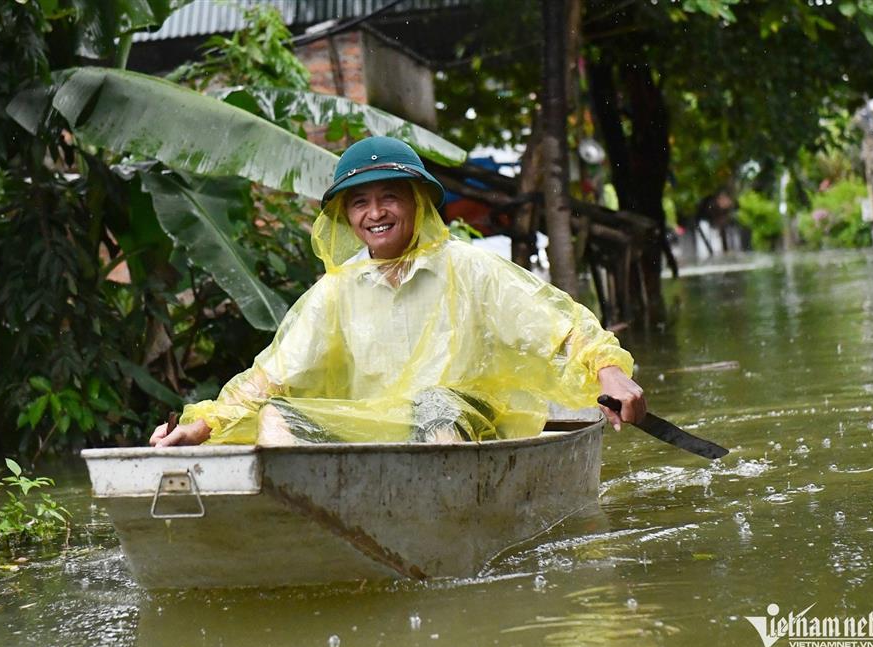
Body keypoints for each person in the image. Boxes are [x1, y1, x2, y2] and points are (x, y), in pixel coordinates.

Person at [150, 136, 645, 447]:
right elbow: (269, 380)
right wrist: (202, 426)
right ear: (346, 217)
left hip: (465, 426)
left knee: (436, 407)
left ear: (417, 204)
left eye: (390, 196)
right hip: (372, 438)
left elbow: (561, 331)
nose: (375, 213)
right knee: (279, 416)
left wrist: (611, 374)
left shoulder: (472, 270)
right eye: (360, 202)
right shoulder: (335, 292)